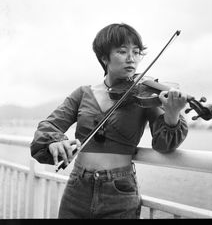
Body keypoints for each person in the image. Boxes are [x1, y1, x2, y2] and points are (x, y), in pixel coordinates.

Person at [30, 23, 188, 219]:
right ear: (104, 57)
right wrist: (54, 141)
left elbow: (164, 145)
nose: (132, 58)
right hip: (77, 188)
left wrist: (172, 115)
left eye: (136, 52)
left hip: (119, 191)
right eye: (122, 51)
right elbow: (50, 125)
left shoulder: (144, 94)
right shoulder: (83, 93)